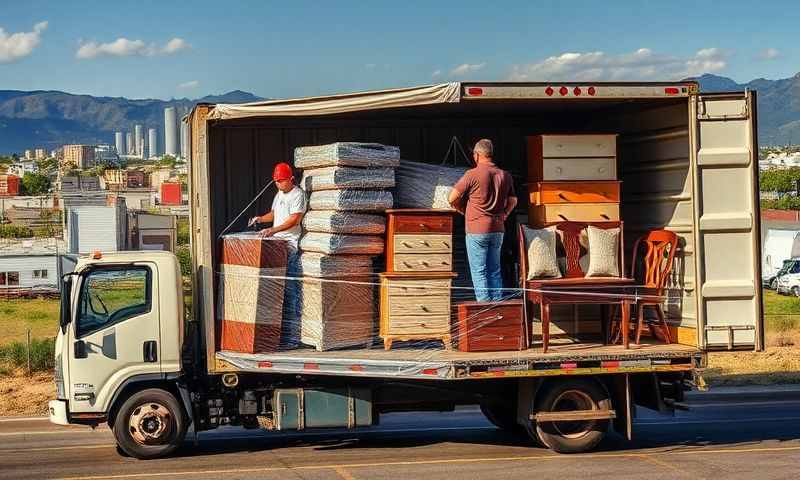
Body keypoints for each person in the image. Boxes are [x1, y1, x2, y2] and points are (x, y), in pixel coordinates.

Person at [448, 139, 517, 302]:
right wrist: (505, 214)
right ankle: (497, 307)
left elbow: (452, 198)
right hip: (498, 230)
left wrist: (462, 210)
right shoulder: (504, 175)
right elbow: (514, 200)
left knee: (479, 272)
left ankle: (485, 309)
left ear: (477, 155)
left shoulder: (472, 174)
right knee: (494, 270)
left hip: (477, 230)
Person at [247, 162, 307, 347]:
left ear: (291, 179)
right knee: (277, 291)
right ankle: (281, 336)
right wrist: (260, 219)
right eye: (276, 181)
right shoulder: (279, 194)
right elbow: (274, 214)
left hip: (289, 247)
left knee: (291, 292)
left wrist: (273, 231)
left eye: (281, 181)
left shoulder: (298, 195)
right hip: (277, 246)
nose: (278, 184)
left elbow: (294, 220)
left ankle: (293, 338)